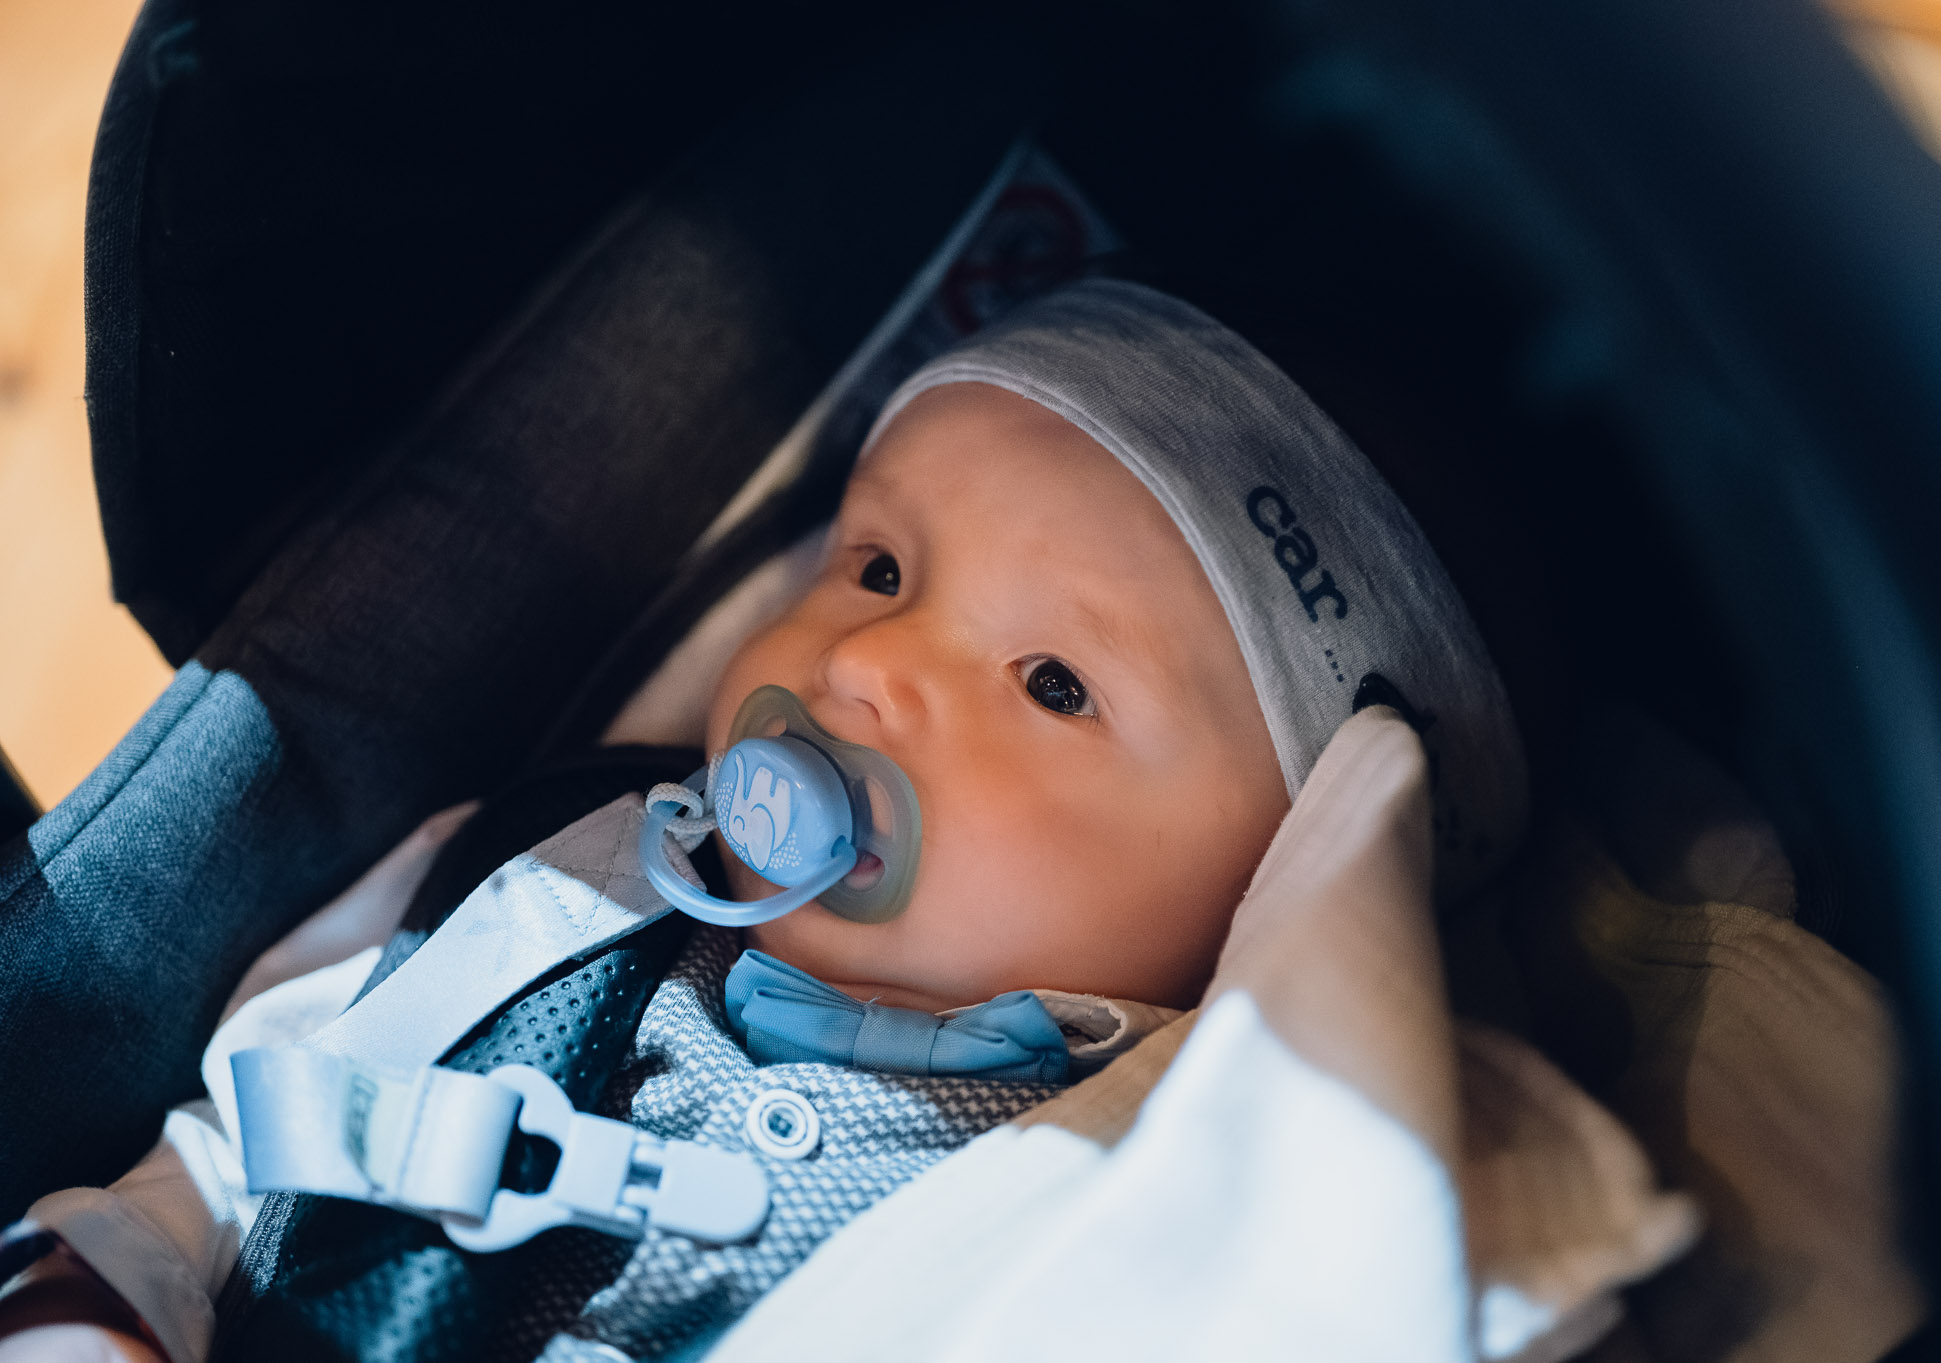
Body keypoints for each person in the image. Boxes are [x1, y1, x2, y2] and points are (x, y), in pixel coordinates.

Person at [0, 280, 1525, 1362]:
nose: (868, 665)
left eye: (1056, 683)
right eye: (878, 568)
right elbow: (254, 1131)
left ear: (1281, 880)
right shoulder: (566, 880)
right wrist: (103, 1290)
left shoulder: (1170, 1190)